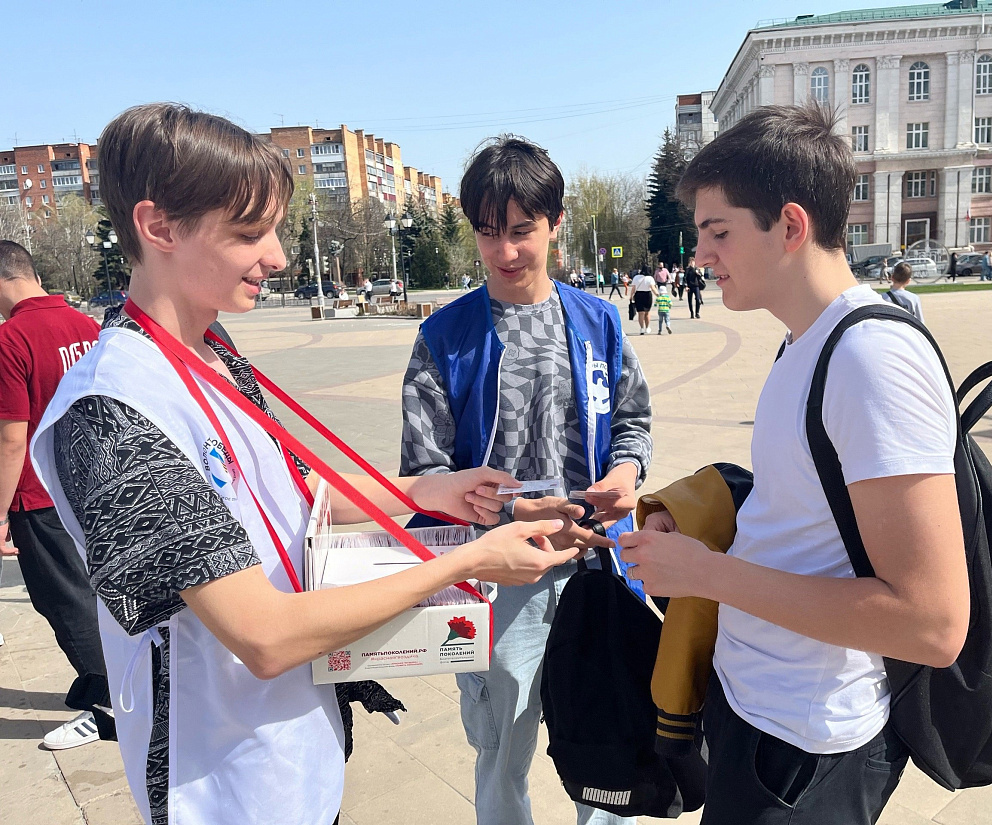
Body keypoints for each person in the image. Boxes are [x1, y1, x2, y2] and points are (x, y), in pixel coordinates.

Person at [28, 103, 574, 825]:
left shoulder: (210, 353)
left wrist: (433, 489)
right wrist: (464, 561)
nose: (279, 256)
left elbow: (294, 487)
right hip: (221, 785)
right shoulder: (115, 408)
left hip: (297, 753)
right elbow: (264, 634)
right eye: (248, 233)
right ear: (159, 227)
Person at [618, 103, 966, 825]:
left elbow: (932, 623)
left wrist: (705, 574)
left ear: (790, 225)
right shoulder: (804, 340)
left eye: (719, 232)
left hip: (805, 749)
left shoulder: (871, 359)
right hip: (757, 709)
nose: (700, 255)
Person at [400, 135, 653, 825]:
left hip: (596, 567)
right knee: (502, 749)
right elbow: (424, 471)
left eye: (521, 230)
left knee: (608, 741)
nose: (505, 250)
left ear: (555, 223)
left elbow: (632, 420)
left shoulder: (599, 322)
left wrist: (626, 471)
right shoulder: (444, 337)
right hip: (497, 577)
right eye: (489, 232)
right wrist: (507, 511)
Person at [0, 240, 114, 751]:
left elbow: (11, 439)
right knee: (99, 591)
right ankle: (116, 685)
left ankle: (108, 706)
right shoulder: (85, 326)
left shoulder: (11, 339)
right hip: (92, 480)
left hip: (39, 491)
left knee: (65, 600)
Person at [628, 264, 657, 334]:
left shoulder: (636, 277)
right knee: (647, 312)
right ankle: (647, 327)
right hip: (647, 295)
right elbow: (653, 288)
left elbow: (633, 289)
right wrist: (658, 294)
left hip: (638, 295)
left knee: (640, 313)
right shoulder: (650, 278)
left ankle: (641, 328)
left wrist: (631, 296)